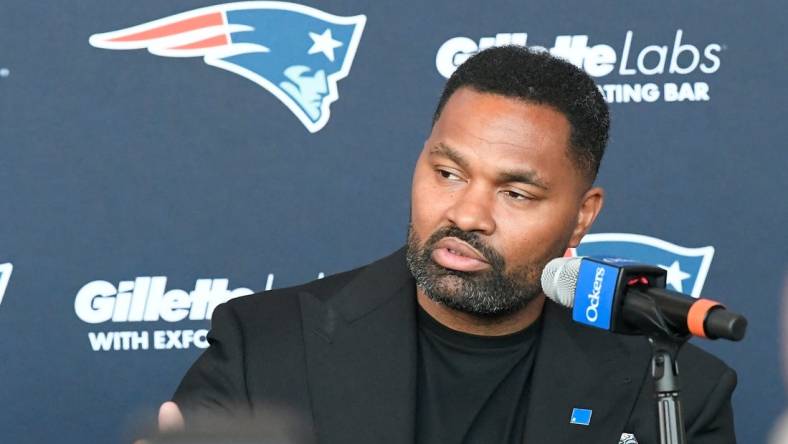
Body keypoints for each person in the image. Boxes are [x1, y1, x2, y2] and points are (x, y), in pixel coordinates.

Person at [164, 46, 737, 444]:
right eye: (447, 173)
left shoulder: (673, 390)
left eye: (514, 192)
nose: (466, 214)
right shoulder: (263, 348)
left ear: (582, 216)